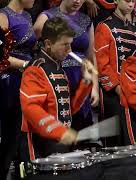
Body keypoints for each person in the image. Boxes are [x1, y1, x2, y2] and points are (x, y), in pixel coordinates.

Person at [20, 16, 94, 160]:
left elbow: (68, 109)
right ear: (48, 43)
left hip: (59, 141)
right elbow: (31, 109)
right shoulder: (36, 69)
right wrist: (60, 131)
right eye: (65, 44)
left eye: (70, 44)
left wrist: (85, 82)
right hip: (40, 143)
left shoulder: (59, 69)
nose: (69, 50)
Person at [34, 0, 99, 132]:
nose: (78, 1)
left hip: (81, 79)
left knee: (81, 130)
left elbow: (91, 56)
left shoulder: (86, 20)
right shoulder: (46, 17)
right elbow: (37, 50)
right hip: (57, 77)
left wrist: (95, 87)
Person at [0, 0, 37, 179]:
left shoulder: (27, 15)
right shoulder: (2, 16)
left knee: (21, 137)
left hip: (27, 79)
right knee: (9, 137)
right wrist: (26, 64)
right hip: (9, 81)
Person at [95, 0, 136, 145]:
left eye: (133, 1)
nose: (131, 4)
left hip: (132, 92)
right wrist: (118, 88)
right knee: (115, 140)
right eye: (127, 0)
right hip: (112, 92)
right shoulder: (104, 27)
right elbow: (102, 65)